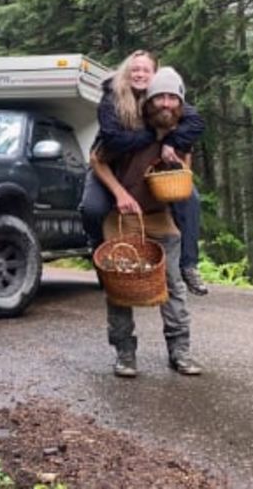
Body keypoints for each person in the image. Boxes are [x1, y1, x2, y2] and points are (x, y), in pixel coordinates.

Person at [91, 67, 203, 378]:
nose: (166, 104)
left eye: (172, 98)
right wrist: (119, 193)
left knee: (173, 287)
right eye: (160, 98)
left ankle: (180, 352)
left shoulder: (182, 133)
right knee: (119, 286)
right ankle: (125, 353)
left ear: (180, 103)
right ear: (149, 101)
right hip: (122, 218)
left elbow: (184, 176)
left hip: (161, 217)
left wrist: (176, 162)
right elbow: (97, 160)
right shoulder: (128, 129)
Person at [81, 51, 208, 295]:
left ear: (155, 75)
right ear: (126, 73)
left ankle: (189, 265)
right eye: (134, 69)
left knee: (190, 198)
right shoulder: (113, 98)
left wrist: (171, 140)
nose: (139, 74)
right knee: (92, 208)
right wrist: (154, 136)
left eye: (145, 70)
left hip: (147, 170)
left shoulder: (164, 100)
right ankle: (99, 251)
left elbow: (195, 124)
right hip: (107, 163)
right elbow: (112, 142)